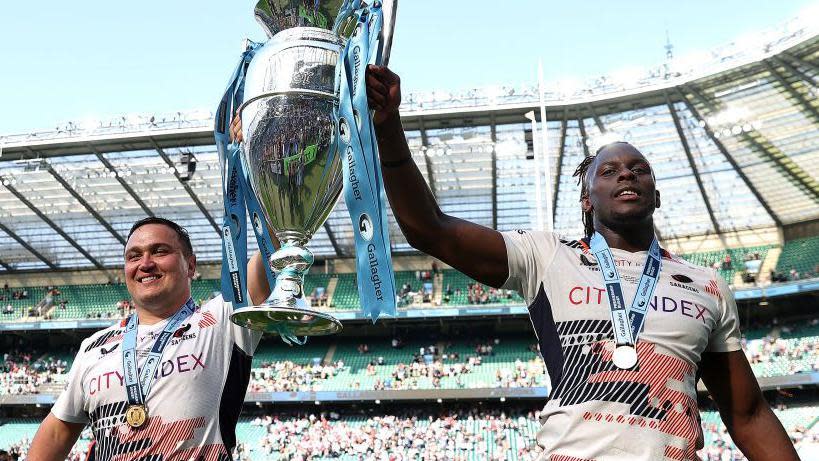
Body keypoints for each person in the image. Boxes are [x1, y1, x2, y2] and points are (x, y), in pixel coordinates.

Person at [362, 65, 799, 460]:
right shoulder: (547, 255)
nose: (626, 174)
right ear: (586, 199)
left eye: (638, 168)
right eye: (608, 172)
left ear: (656, 194)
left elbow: (749, 415)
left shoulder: (706, 284)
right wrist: (389, 129)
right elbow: (430, 229)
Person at [28, 217, 271, 461]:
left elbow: (275, 241)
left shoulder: (219, 320)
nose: (145, 263)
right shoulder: (94, 346)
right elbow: (57, 433)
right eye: (134, 256)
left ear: (190, 265)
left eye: (159, 251)